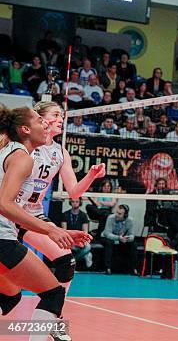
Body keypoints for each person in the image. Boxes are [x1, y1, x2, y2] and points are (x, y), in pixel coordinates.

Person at [0, 105, 91, 341]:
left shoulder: (48, 152)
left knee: (10, 295)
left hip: (22, 222)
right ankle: (49, 325)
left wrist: (58, 230)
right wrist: (51, 229)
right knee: (52, 294)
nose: (51, 123)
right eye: (43, 119)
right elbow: (6, 204)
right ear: (26, 128)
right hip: (8, 231)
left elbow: (73, 191)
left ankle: (52, 322)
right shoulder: (22, 156)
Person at [21, 102, 105, 296]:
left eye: (62, 115)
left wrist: (91, 175)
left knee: (67, 263)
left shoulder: (60, 152)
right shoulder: (25, 144)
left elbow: (74, 192)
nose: (61, 119)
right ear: (40, 119)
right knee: (9, 287)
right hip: (10, 213)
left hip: (33, 215)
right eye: (56, 115)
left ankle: (53, 317)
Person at [101, 205, 136, 275]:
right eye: (116, 212)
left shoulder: (130, 220)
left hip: (122, 238)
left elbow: (132, 235)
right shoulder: (110, 218)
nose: (117, 215)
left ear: (125, 215)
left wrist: (127, 239)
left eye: (119, 214)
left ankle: (133, 269)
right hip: (107, 237)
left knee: (133, 244)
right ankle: (108, 268)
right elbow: (107, 233)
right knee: (109, 243)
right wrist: (118, 238)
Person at [61, 199, 93, 268]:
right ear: (70, 203)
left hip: (79, 239)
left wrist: (83, 241)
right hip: (69, 238)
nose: (75, 203)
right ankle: (86, 255)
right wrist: (70, 241)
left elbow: (85, 232)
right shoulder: (65, 214)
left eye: (77, 202)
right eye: (73, 202)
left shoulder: (83, 215)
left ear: (80, 203)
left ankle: (72, 261)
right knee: (67, 245)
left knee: (88, 246)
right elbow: (64, 231)